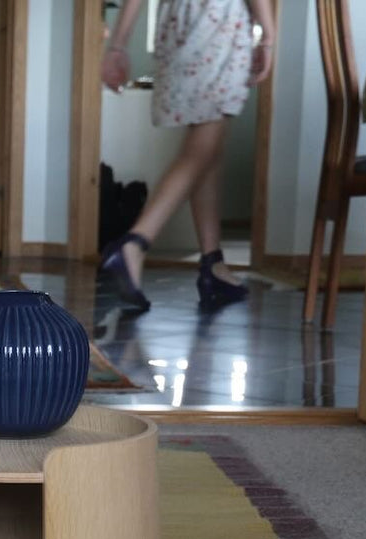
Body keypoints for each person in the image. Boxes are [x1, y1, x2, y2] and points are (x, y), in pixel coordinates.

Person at [99, 0, 276, 310]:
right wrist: (269, 36)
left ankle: (213, 263)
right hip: (218, 21)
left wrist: (119, 44)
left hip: (176, 20)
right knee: (203, 145)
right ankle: (135, 243)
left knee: (208, 141)